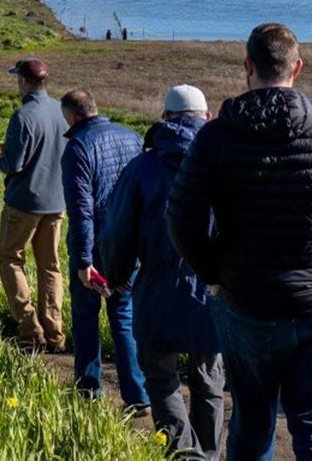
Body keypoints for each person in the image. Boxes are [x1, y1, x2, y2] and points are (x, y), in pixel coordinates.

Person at [167, 23, 312, 461]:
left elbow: (181, 220)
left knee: (251, 421)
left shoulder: (215, 138)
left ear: (248, 67)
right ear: (297, 68)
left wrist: (212, 276)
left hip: (247, 305)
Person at [101, 84, 225, 459]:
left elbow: (117, 228)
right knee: (209, 381)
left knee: (161, 378)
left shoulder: (142, 167)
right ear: (206, 117)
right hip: (214, 291)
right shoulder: (225, 165)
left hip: (157, 286)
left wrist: (117, 273)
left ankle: (182, 453)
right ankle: (208, 453)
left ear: (166, 117)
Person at [60, 87, 147, 410]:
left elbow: (81, 209)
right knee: (123, 317)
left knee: (86, 317)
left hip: (94, 246)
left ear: (70, 116)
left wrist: (83, 260)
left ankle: (89, 389)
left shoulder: (78, 148)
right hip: (126, 244)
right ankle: (138, 394)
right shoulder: (131, 137)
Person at [0, 56, 69, 353]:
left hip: (25, 200)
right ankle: (55, 332)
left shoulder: (23, 116)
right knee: (50, 265)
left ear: (25, 81)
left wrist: (2, 157)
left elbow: (13, 164)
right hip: (56, 200)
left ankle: (29, 329)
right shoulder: (61, 111)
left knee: (11, 259)